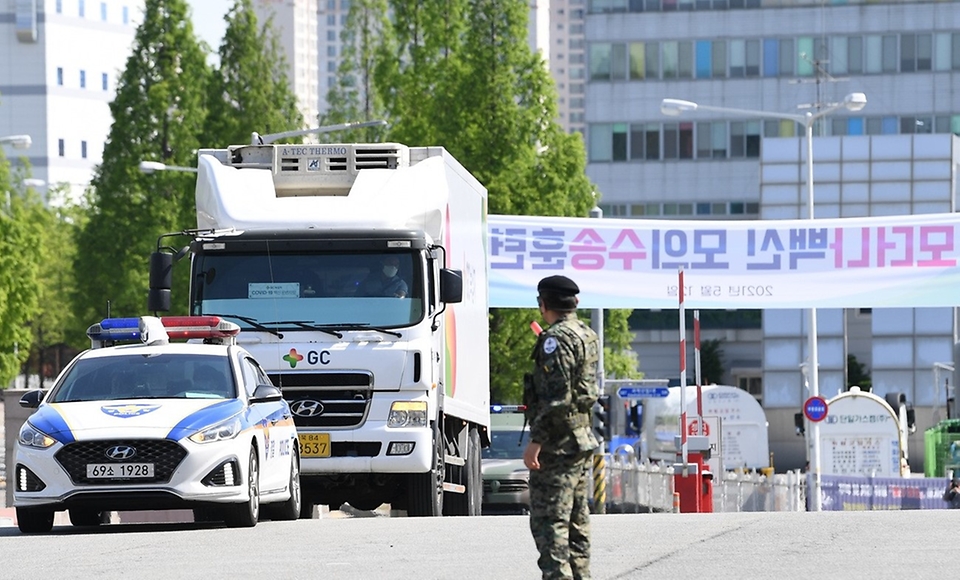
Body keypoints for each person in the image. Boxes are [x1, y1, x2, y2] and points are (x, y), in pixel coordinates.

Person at [522, 275, 600, 580]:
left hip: (558, 444)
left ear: (544, 304)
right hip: (580, 440)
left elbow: (558, 397)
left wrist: (536, 441)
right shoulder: (586, 334)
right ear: (575, 303)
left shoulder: (556, 340)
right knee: (577, 524)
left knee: (550, 523)